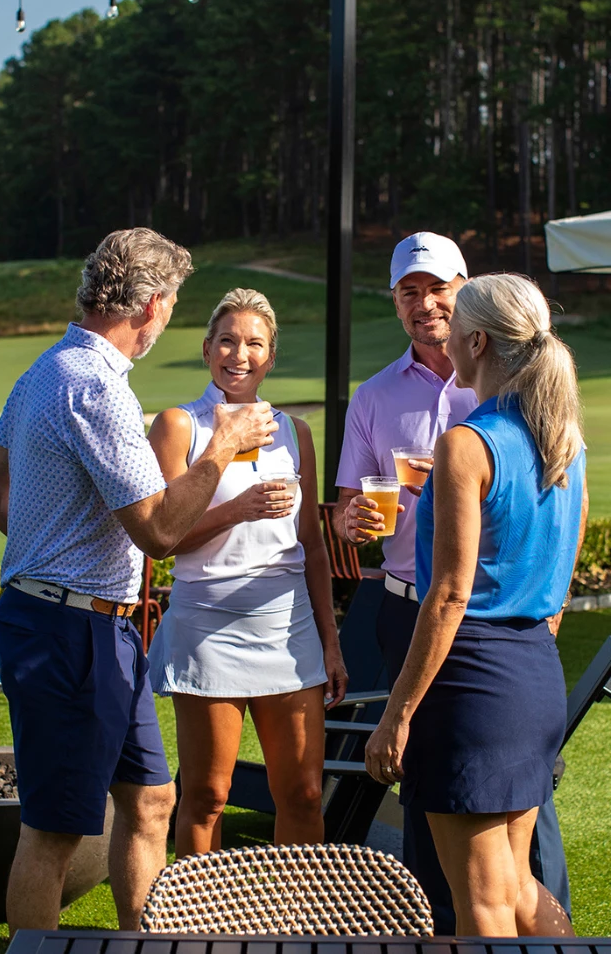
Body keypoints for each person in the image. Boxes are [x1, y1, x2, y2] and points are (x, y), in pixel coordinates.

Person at [0, 228, 276, 934]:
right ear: (153, 305)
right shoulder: (96, 389)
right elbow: (159, 531)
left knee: (153, 800)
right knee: (53, 832)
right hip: (70, 633)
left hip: (90, 627)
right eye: (174, 305)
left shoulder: (45, 370)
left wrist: (44, 550)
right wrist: (223, 445)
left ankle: (142, 943)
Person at [334, 232, 571, 930]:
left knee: (484, 902)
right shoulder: (561, 431)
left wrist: (397, 716)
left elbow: (449, 594)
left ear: (476, 337)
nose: (427, 306)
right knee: (514, 886)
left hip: (464, 663)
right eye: (409, 291)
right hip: (529, 661)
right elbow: (561, 557)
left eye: (443, 296)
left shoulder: (469, 442)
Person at [146, 288, 348, 857]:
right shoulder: (178, 426)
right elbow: (162, 539)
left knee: (305, 794)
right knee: (208, 795)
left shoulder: (296, 433)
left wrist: (331, 643)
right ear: (206, 349)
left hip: (288, 628)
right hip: (207, 627)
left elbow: (312, 546)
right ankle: (197, 910)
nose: (240, 355)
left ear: (271, 357)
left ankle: (295, 908)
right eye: (227, 341)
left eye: (254, 343)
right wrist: (237, 509)